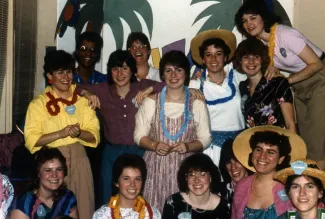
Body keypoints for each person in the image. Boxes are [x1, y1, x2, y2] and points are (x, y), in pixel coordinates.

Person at [235, 0, 325, 170]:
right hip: (299, 86)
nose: (249, 24)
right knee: (306, 141)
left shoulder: (285, 34)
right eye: (244, 21)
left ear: (264, 17)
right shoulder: (263, 45)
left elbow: (316, 64)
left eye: (253, 18)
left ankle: (320, 190)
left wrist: (284, 82)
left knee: (318, 142)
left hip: (320, 78)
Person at [75, 49, 165, 206]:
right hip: (112, 153)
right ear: (110, 71)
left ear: (132, 70)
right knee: (106, 197)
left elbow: (169, 83)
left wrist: (150, 90)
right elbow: (72, 87)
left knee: (141, 196)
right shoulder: (103, 90)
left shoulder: (141, 85)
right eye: (115, 68)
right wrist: (87, 93)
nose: (120, 73)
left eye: (125, 68)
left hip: (139, 151)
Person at [24, 50, 100, 219]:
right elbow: (31, 141)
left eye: (69, 71)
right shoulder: (38, 104)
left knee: (83, 207)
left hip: (80, 162)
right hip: (51, 165)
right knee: (55, 210)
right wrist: (61, 133)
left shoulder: (83, 100)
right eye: (60, 72)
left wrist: (79, 133)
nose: (66, 77)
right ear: (50, 75)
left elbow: (95, 136)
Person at [134, 50, 211, 211]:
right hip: (155, 169)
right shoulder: (150, 102)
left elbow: (205, 138)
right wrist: (154, 145)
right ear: (162, 75)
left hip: (187, 171)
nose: (173, 75)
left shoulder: (196, 103)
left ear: (186, 73)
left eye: (179, 70)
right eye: (168, 70)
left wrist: (188, 146)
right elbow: (139, 135)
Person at [189, 29, 246, 165]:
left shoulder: (238, 76)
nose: (213, 59)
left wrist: (273, 69)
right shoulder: (195, 84)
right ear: (203, 59)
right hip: (211, 148)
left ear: (225, 57)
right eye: (208, 55)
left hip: (238, 146)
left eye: (218, 54)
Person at [231, 125, 307, 218]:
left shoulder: (290, 188)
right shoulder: (242, 186)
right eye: (258, 150)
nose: (262, 156)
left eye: (270, 152)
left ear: (281, 159)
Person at [233, 38, 296, 132]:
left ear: (262, 60)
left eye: (256, 57)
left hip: (276, 142)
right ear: (240, 61)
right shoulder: (242, 87)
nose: (251, 61)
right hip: (251, 141)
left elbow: (290, 123)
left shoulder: (278, 83)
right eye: (246, 57)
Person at [10, 146, 78, 219]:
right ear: (38, 173)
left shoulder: (68, 198)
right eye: (48, 170)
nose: (54, 175)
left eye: (59, 169)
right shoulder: (25, 203)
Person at [162, 153, 230, 219]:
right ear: (186, 178)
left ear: (211, 177)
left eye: (202, 174)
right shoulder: (173, 203)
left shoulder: (224, 207)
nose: (196, 180)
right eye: (192, 175)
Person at [93, 154, 161, 219]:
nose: (132, 184)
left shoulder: (153, 214)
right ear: (116, 182)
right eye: (126, 178)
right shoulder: (102, 215)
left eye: (137, 179)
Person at [219, 139, 250, 210]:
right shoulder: (220, 191)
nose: (233, 167)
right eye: (228, 162)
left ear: (245, 160)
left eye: (237, 160)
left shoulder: (258, 186)